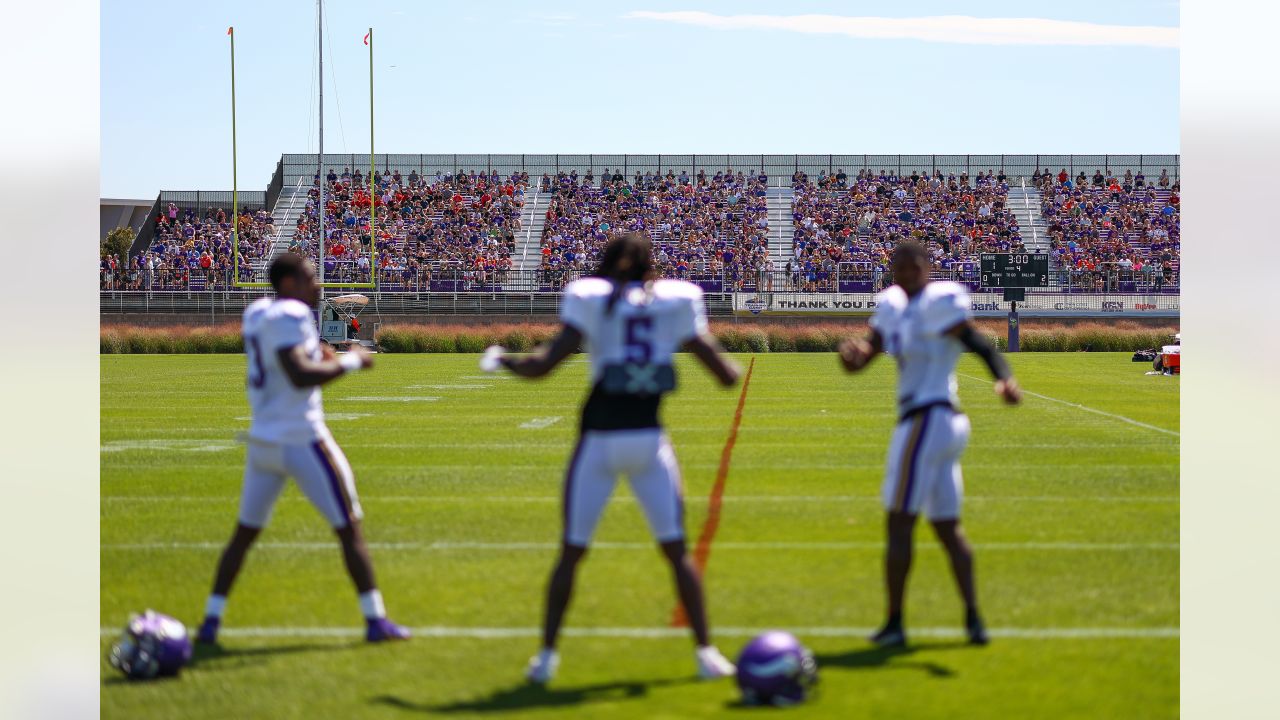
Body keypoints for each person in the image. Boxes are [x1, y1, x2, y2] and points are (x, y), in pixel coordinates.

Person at [495, 232, 741, 684]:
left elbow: (542, 367)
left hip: (599, 441)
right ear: (651, 266)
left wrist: (503, 361)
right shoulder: (674, 299)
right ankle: (706, 653)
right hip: (649, 441)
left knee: (571, 552)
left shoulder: (590, 297)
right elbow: (725, 376)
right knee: (676, 551)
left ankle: (546, 658)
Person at [196, 254, 410, 645]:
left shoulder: (258, 312)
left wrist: (319, 355)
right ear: (290, 283)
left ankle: (211, 621)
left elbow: (285, 361)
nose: (318, 285)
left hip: (263, 441)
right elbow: (298, 374)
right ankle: (375, 620)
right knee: (349, 527)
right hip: (301, 438)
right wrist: (351, 362)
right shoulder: (292, 315)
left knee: (244, 535)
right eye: (311, 277)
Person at [837, 241, 1021, 648]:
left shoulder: (940, 300)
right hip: (940, 423)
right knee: (945, 526)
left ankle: (895, 623)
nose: (904, 274)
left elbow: (976, 341)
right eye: (897, 267)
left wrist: (1004, 376)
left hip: (927, 417)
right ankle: (973, 620)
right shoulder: (891, 305)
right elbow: (870, 350)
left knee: (899, 520)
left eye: (912, 267)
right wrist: (853, 356)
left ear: (927, 267)